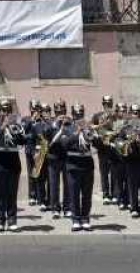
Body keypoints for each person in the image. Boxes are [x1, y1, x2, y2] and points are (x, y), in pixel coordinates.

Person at [0, 98, 24, 233]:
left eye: (8, 110)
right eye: (3, 110)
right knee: (0, 195)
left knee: (12, 195)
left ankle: (12, 220)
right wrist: (3, 126)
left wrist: (17, 129)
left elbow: (22, 141)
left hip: (13, 164)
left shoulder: (17, 125)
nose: (5, 113)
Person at [61, 103, 95, 232]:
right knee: (74, 194)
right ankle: (75, 219)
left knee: (87, 195)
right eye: (76, 114)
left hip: (87, 164)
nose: (78, 116)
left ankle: (85, 219)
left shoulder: (89, 127)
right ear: (73, 115)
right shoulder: (67, 128)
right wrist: (77, 133)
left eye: (80, 114)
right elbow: (65, 144)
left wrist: (92, 133)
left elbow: (96, 142)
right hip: (73, 165)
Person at [120, 103, 140, 218]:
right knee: (132, 186)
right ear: (130, 114)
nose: (135, 115)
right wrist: (127, 142)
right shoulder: (125, 128)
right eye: (133, 113)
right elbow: (119, 142)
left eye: (137, 113)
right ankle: (134, 208)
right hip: (130, 160)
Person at [46, 100, 70, 219]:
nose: (61, 113)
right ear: (55, 111)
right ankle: (55, 208)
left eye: (62, 111)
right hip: (53, 158)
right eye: (58, 111)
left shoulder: (69, 122)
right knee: (54, 184)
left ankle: (67, 208)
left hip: (66, 157)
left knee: (67, 184)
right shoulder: (50, 123)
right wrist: (56, 124)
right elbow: (47, 138)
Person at [92, 96, 115, 204]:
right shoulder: (97, 115)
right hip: (102, 147)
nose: (107, 106)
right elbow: (92, 128)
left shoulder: (114, 116)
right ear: (103, 104)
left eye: (109, 104)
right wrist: (102, 124)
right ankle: (106, 194)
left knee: (114, 171)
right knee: (104, 172)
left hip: (113, 145)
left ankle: (114, 194)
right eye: (106, 104)